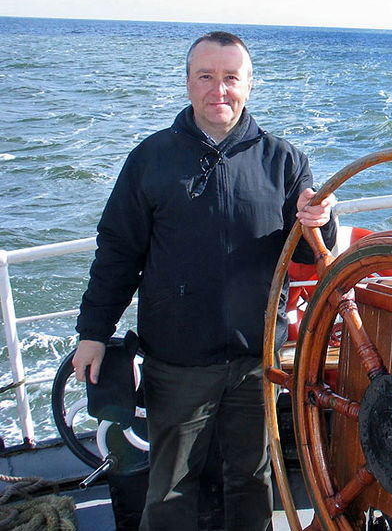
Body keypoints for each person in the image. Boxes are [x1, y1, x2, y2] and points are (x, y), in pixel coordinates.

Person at [72, 31, 338, 530]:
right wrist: (92, 333)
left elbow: (307, 254)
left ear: (249, 85)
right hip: (177, 362)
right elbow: (117, 253)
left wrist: (317, 221)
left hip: (256, 360)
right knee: (170, 487)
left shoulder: (285, 162)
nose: (220, 89)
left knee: (251, 479)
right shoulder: (149, 159)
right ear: (188, 83)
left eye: (231, 78)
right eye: (206, 77)